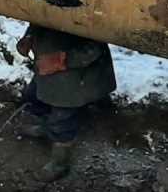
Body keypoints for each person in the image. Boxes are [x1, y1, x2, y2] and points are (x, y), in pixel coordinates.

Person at [16, 24, 117, 182]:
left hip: (77, 74)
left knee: (62, 119)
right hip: (46, 65)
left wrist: (60, 60)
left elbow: (94, 48)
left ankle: (59, 163)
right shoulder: (48, 3)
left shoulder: (87, 11)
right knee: (34, 98)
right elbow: (36, 17)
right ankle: (46, 126)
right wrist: (29, 37)